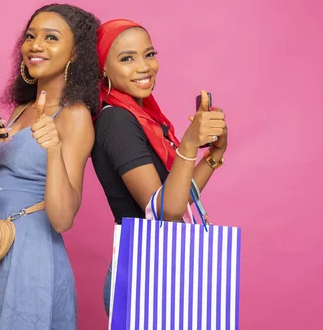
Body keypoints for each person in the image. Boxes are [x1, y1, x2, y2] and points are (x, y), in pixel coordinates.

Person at [0, 4, 101, 329]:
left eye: (51, 37)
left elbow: (62, 219)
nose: (35, 45)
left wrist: (54, 148)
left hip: (28, 252)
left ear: (75, 54)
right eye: (30, 36)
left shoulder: (75, 117)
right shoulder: (19, 109)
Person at [90, 19, 229, 315]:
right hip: (143, 273)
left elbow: (180, 197)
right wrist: (189, 144)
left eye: (149, 54)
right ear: (103, 67)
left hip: (164, 268)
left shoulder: (143, 117)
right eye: (127, 58)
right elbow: (165, 211)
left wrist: (214, 155)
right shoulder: (115, 121)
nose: (144, 67)